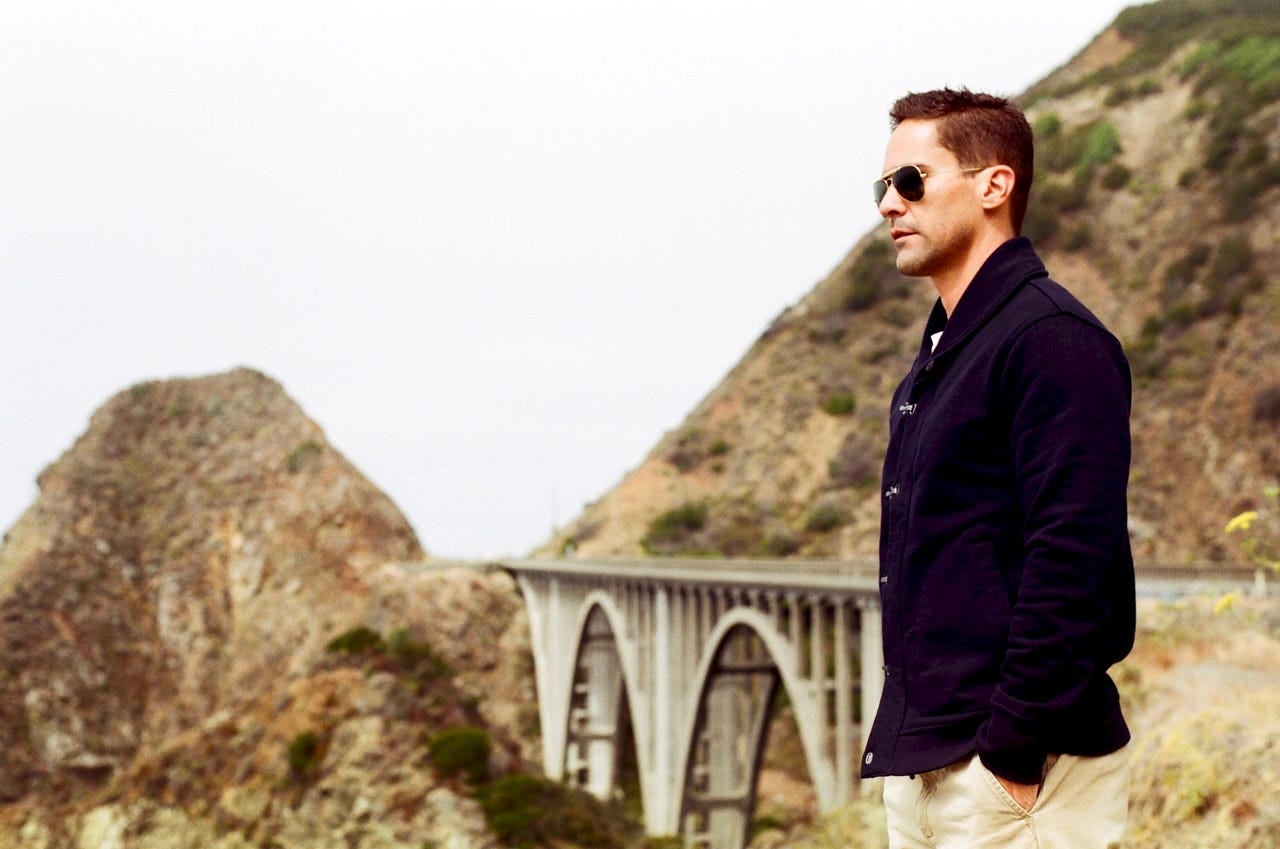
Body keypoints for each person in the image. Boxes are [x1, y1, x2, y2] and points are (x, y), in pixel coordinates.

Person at [859, 88, 1135, 849]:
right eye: (882, 185)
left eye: (910, 181)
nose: (888, 204)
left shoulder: (1053, 341)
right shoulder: (943, 355)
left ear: (994, 185)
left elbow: (1074, 560)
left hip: (1015, 776)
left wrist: (1011, 751)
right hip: (931, 771)